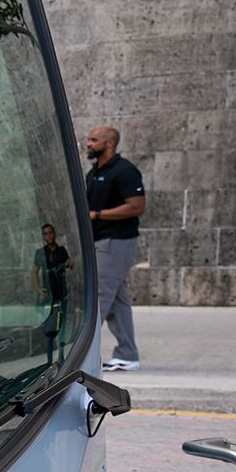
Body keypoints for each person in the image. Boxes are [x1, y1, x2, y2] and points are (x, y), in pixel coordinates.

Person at [86, 125, 145, 370]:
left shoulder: (125, 171)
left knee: (98, 298)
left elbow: (136, 206)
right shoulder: (95, 172)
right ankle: (127, 354)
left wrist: (99, 215)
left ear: (109, 143)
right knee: (117, 301)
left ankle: (76, 356)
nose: (88, 143)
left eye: (93, 140)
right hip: (100, 241)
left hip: (116, 242)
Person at [36, 222, 74, 364]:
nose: (49, 236)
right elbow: (34, 272)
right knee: (50, 330)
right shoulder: (41, 253)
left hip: (61, 293)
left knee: (62, 327)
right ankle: (50, 361)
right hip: (49, 296)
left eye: (50, 233)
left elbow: (70, 264)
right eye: (46, 234)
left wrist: (69, 264)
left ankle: (62, 357)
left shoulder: (62, 251)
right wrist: (39, 289)